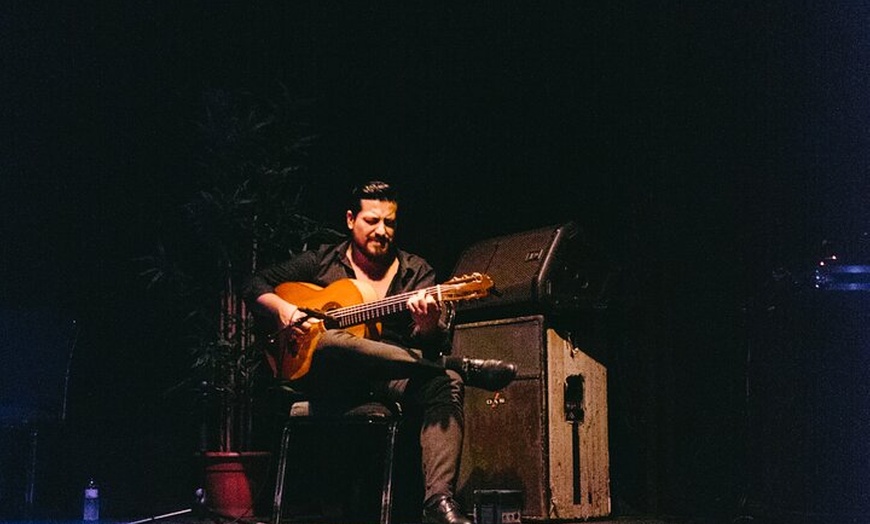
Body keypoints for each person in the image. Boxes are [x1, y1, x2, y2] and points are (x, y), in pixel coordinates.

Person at [241, 180, 517, 524]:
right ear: (350, 220)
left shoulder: (416, 272)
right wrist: (285, 310)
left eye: (389, 222)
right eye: (372, 221)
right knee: (333, 341)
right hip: (329, 377)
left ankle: (438, 501)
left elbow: (432, 343)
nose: (382, 231)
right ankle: (459, 365)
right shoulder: (322, 260)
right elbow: (253, 284)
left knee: (446, 383)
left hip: (391, 374)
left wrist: (427, 325)